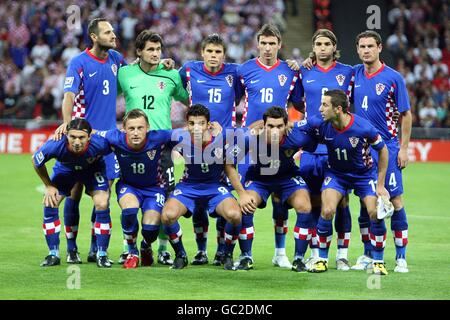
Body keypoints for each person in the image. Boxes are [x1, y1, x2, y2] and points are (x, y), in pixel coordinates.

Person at [55, 18, 126, 263]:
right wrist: (68, 126)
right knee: (73, 194)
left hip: (106, 144)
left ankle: (96, 248)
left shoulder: (116, 59)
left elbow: (132, 74)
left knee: (102, 198)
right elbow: (69, 96)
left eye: (113, 31)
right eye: (108, 32)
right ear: (94, 37)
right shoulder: (79, 62)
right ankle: (72, 248)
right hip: (82, 141)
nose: (113, 34)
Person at [117, 30, 189, 265]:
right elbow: (106, 96)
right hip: (131, 147)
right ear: (139, 51)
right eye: (150, 49)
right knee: (129, 198)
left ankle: (163, 248)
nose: (156, 53)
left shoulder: (171, 75)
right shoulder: (125, 74)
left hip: (162, 149)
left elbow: (188, 99)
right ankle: (129, 247)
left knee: (164, 199)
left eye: (158, 49)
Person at [235, 23, 303, 270]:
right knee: (243, 201)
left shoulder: (290, 71)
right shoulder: (244, 70)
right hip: (250, 147)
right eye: (263, 43)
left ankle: (280, 252)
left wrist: (302, 65)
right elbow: (232, 102)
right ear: (257, 44)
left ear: (279, 45)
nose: (267, 48)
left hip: (279, 146)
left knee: (280, 201)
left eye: (272, 43)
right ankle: (242, 253)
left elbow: (300, 106)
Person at [305, 90, 390, 275]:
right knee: (327, 210)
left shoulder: (363, 127)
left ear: (338, 109)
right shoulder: (320, 123)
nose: (320, 109)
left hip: (364, 176)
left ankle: (378, 261)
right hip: (336, 174)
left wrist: (381, 184)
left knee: (375, 213)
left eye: (325, 105)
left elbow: (383, 150)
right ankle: (321, 259)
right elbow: (296, 127)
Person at [225, 106, 318, 272]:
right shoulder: (250, 137)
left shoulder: (297, 137)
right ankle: (246, 256)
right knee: (246, 206)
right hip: (259, 178)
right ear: (263, 125)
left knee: (305, 205)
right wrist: (242, 194)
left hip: (287, 177)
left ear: (286, 125)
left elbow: (316, 141)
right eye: (271, 126)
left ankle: (299, 259)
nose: (275, 131)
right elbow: (229, 163)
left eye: (279, 126)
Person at [179, 34, 243, 266]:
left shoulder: (234, 72)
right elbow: (172, 83)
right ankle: (201, 250)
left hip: (226, 142)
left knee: (223, 195)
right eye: (210, 51)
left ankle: (222, 250)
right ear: (202, 53)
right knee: (198, 199)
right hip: (196, 142)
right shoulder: (188, 70)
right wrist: (163, 64)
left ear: (224, 55)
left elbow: (244, 91)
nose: (214, 56)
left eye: (218, 52)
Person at [352, 30, 412, 273]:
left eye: (370, 46)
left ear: (379, 48)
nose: (366, 50)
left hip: (386, 147)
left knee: (394, 199)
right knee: (365, 202)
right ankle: (368, 254)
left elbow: (406, 114)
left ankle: (400, 257)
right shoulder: (354, 73)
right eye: (362, 46)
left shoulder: (393, 78)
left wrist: (404, 148)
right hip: (360, 150)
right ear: (357, 50)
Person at [297, 29, 355, 271]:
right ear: (314, 47)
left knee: (341, 202)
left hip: (338, 147)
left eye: (326, 44)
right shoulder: (303, 71)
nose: (322, 48)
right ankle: (315, 253)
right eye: (318, 44)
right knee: (312, 202)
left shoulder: (348, 72)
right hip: (311, 148)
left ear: (334, 47)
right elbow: (295, 101)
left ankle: (342, 255)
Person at [161, 104, 242, 270]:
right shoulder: (179, 136)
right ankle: (181, 255)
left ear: (208, 124)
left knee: (234, 215)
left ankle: (226, 254)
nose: (196, 128)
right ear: (186, 124)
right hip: (188, 186)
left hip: (215, 187)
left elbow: (249, 133)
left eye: (201, 123)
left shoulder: (222, 138)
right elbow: (153, 136)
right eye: (192, 123)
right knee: (167, 216)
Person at [95, 109, 175, 268]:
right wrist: (67, 127)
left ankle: (146, 245)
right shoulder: (115, 137)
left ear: (148, 128)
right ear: (123, 129)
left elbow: (185, 133)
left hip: (154, 188)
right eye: (131, 128)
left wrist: (209, 128)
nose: (136, 132)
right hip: (129, 186)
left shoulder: (159, 137)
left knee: (150, 229)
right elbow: (92, 133)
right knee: (130, 210)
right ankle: (132, 251)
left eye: (140, 128)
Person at [32, 119, 113, 268]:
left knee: (102, 202)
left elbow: (117, 149)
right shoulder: (56, 144)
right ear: (66, 135)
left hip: (92, 169)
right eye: (72, 137)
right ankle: (53, 254)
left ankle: (101, 254)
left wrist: (113, 173)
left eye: (81, 137)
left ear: (89, 137)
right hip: (66, 170)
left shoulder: (100, 143)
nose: (76, 141)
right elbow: (36, 161)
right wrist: (49, 186)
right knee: (51, 201)